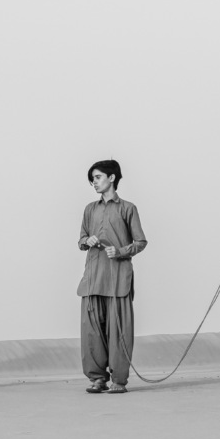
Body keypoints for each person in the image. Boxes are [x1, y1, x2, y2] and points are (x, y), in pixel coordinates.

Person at [77, 159, 147, 393]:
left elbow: (140, 242)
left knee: (119, 333)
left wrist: (120, 251)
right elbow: (81, 240)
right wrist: (87, 240)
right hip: (93, 280)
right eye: (92, 180)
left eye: (97, 177)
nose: (94, 183)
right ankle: (97, 379)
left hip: (118, 280)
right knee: (91, 333)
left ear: (112, 177)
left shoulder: (128, 208)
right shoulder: (90, 209)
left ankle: (119, 380)